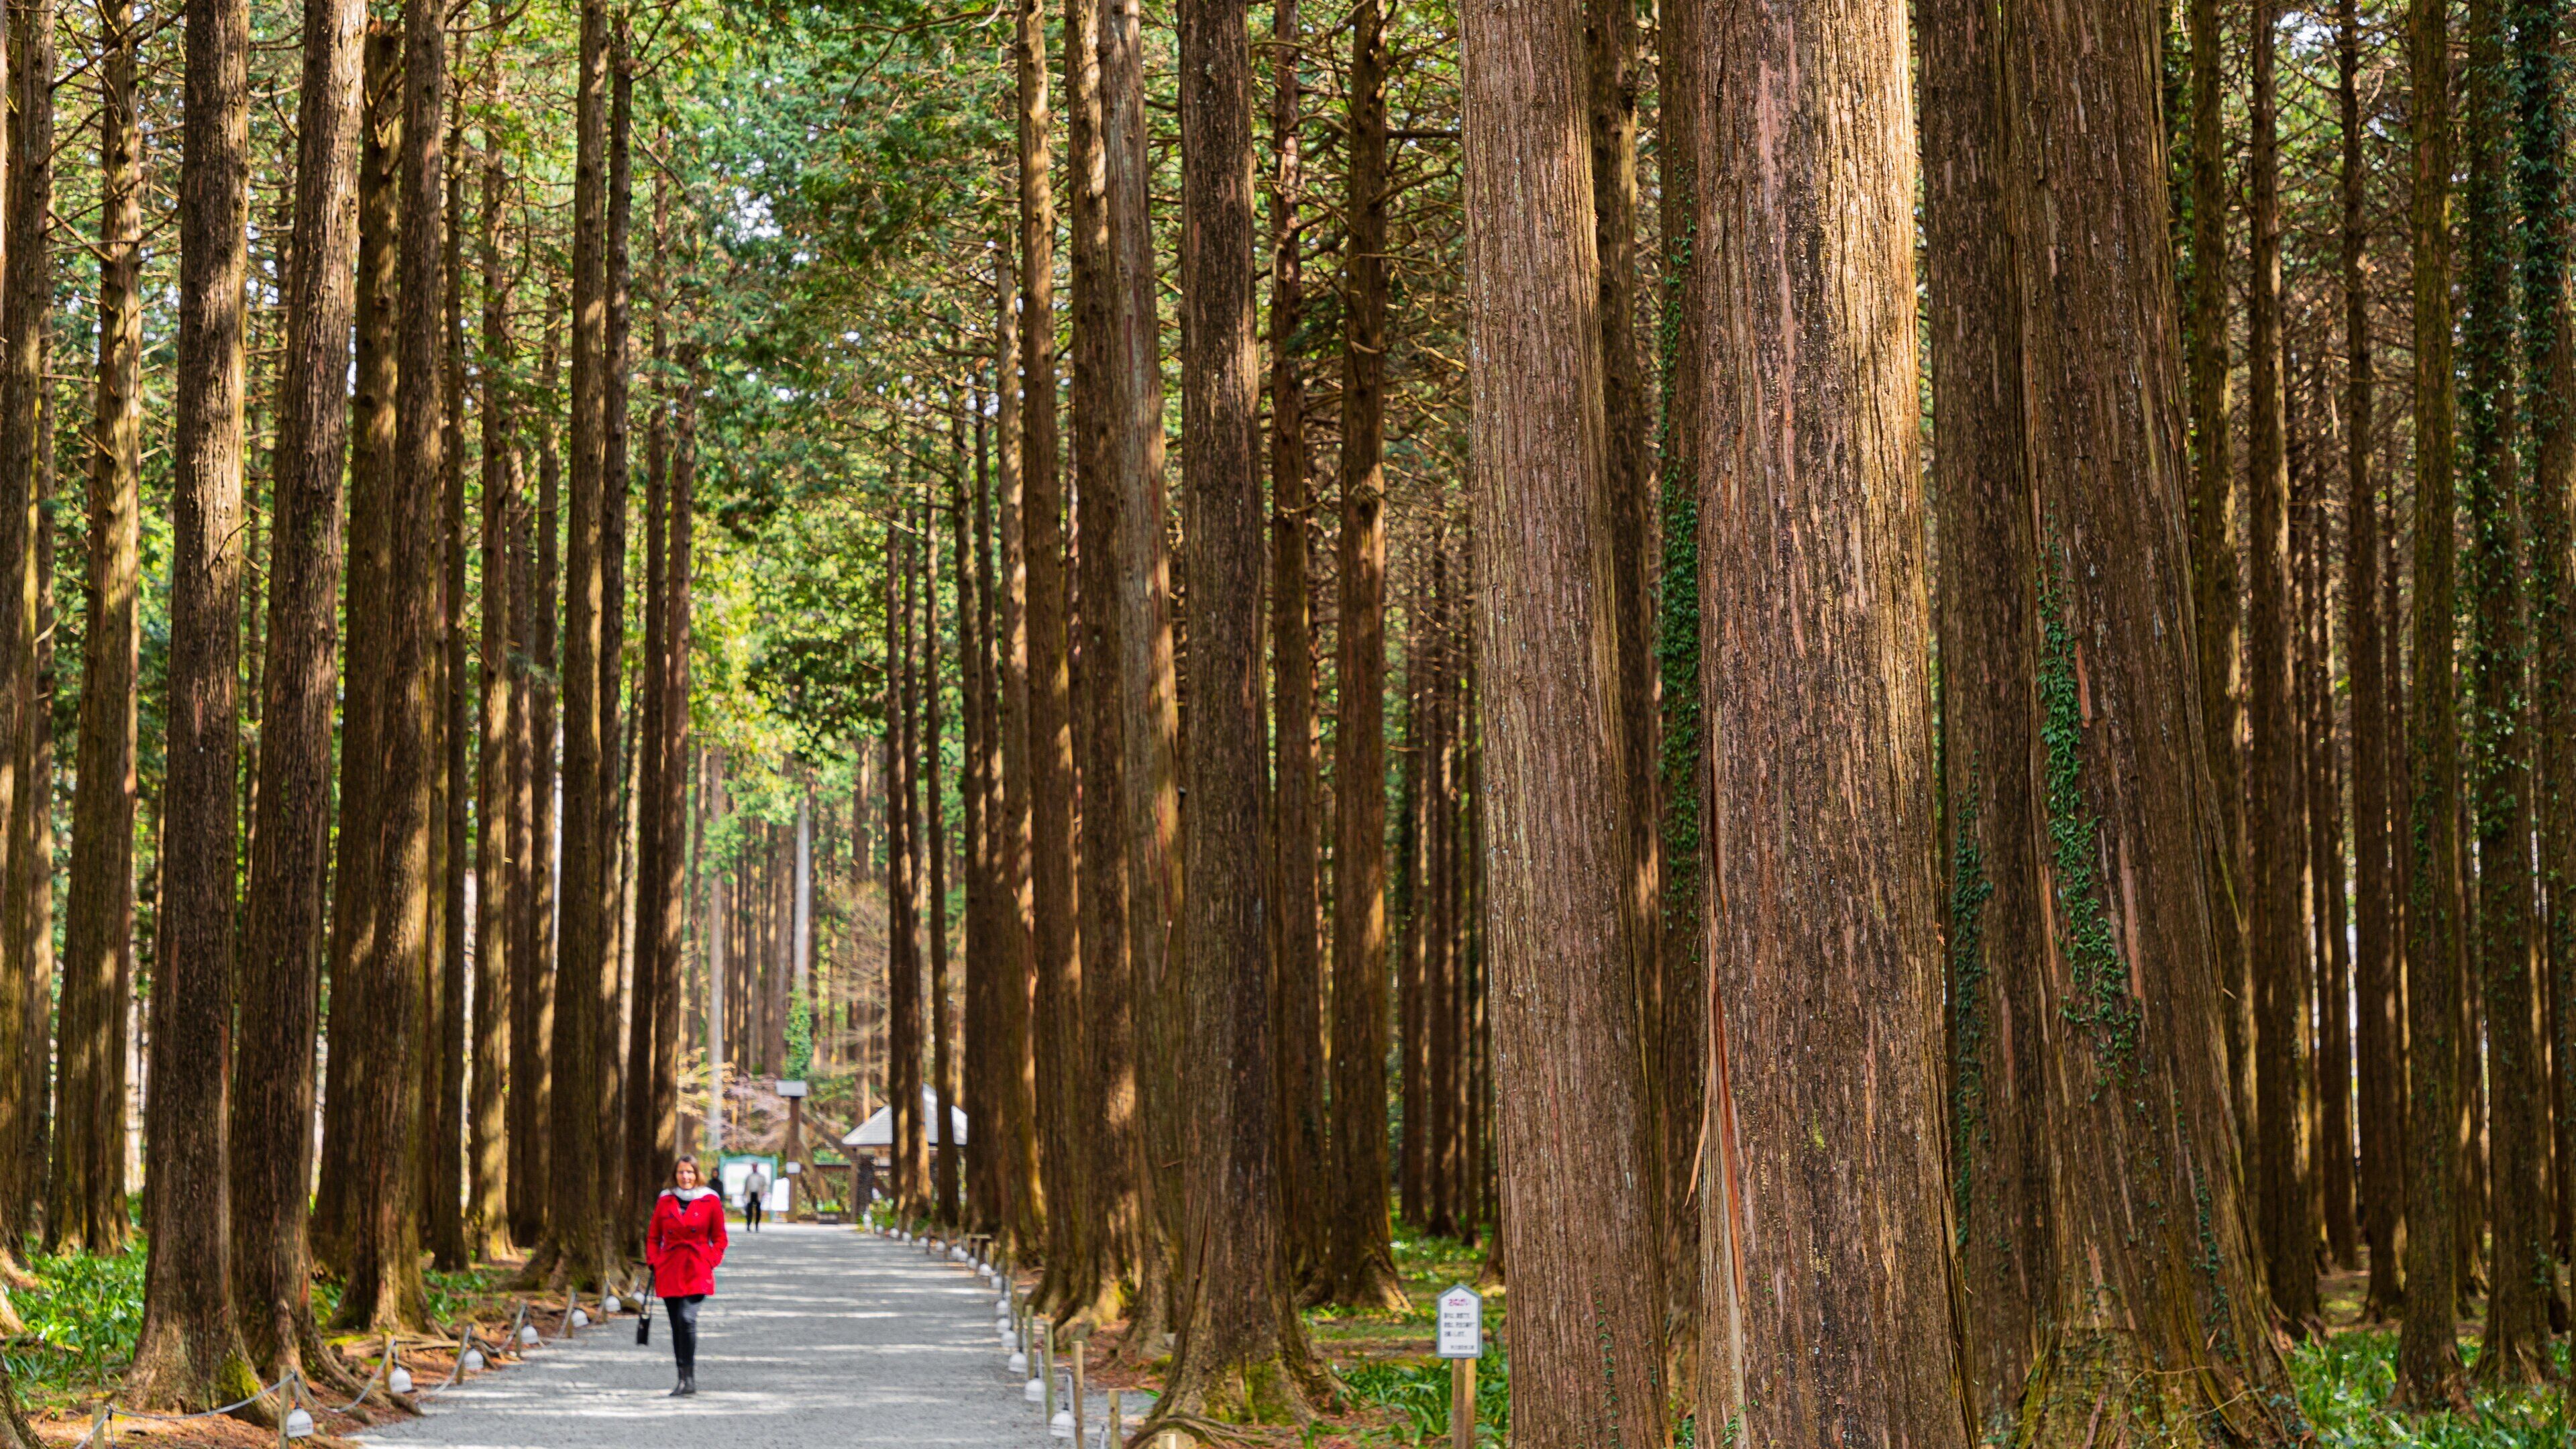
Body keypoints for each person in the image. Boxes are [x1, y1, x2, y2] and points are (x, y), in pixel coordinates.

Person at [645, 1159, 728, 1396]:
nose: (685, 1177)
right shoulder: (665, 1199)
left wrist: (710, 1260)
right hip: (669, 1267)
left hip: (697, 1267)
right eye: (681, 1172)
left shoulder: (709, 1199)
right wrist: (654, 1261)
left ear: (697, 1174)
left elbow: (720, 1237)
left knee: (687, 1318)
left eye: (690, 1172)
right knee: (675, 1325)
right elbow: (653, 1236)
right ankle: (683, 1377)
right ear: (675, 1174)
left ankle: (690, 1377)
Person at [741, 1164, 767, 1232]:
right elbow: (746, 1186)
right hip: (750, 1194)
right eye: (753, 1167)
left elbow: (765, 1185)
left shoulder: (761, 1176)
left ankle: (757, 1225)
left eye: (755, 1167)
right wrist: (744, 1194)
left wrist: (764, 1192)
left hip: (758, 1195)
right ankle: (749, 1224)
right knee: (749, 1211)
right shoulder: (749, 1176)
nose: (754, 1168)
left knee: (758, 1211)